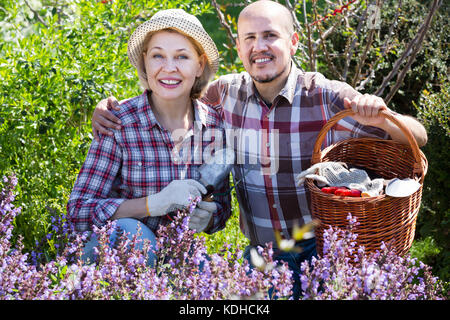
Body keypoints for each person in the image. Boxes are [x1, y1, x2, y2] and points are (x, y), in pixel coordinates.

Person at [90, 1, 427, 297]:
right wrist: (108, 109)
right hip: (264, 254)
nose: (259, 47)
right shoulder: (224, 95)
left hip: (323, 250)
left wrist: (381, 117)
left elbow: (417, 137)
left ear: (293, 42)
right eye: (249, 38)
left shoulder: (325, 96)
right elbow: (172, 91)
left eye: (270, 36)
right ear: (238, 48)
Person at [67, 9, 231, 267]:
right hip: (118, 261)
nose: (168, 68)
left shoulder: (215, 128)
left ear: (199, 65)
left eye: (182, 57)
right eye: (158, 56)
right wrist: (152, 204)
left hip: (178, 257)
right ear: (145, 62)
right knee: (131, 233)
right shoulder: (119, 123)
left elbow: (220, 207)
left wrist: (209, 217)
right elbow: (79, 212)